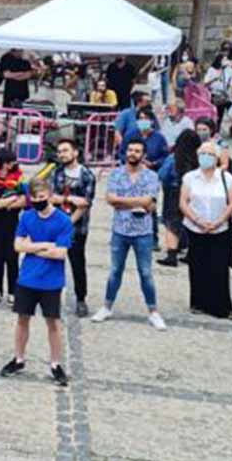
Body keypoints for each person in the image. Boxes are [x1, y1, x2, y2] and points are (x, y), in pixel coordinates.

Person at [0, 178, 73, 386]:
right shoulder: (27, 217)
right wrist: (44, 245)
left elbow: (60, 253)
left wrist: (31, 246)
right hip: (27, 278)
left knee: (53, 323)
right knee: (22, 320)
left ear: (49, 195)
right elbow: (17, 246)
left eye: (42, 198)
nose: (38, 201)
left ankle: (56, 363)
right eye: (34, 198)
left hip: (51, 281)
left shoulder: (63, 221)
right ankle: (19, 358)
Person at [91, 139, 165, 330]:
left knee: (146, 273)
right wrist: (138, 202)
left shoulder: (151, 176)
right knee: (115, 271)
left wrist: (123, 202)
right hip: (120, 230)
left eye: (137, 151)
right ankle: (107, 307)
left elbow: (150, 201)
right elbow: (111, 199)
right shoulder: (116, 174)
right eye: (130, 150)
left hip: (143, 232)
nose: (132, 153)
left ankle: (153, 311)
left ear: (144, 155)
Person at [180, 140, 232, 319]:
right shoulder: (190, 177)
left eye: (210, 154)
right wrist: (197, 220)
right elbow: (183, 202)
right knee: (197, 265)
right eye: (203, 154)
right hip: (195, 227)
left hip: (220, 228)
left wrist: (219, 221)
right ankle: (198, 302)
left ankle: (222, 306)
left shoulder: (226, 178)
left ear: (217, 158)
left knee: (219, 267)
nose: (206, 157)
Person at [51, 138, 95, 316]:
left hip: (77, 227)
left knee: (77, 264)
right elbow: (52, 197)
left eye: (65, 150)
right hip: (57, 224)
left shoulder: (86, 175)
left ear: (75, 152)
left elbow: (86, 203)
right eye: (60, 151)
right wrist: (69, 199)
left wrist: (68, 223)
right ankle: (51, 297)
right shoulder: (57, 172)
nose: (62, 154)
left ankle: (81, 299)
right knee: (53, 261)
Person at [0, 148, 26, 304]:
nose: (15, 163)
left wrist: (7, 203)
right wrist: (11, 200)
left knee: (12, 257)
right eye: (12, 161)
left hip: (12, 222)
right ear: (5, 164)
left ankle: (12, 292)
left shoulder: (19, 180)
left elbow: (23, 201)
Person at [156, 131, 200, 268]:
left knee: (172, 223)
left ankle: (172, 254)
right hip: (193, 194)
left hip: (173, 192)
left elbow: (162, 175)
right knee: (190, 222)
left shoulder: (173, 159)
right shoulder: (198, 160)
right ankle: (191, 254)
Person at [118, 105, 169, 171]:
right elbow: (122, 153)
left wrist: (153, 164)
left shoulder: (159, 138)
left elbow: (165, 157)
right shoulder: (129, 135)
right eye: (141, 118)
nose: (143, 120)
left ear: (152, 121)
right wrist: (135, 161)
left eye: (146, 118)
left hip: (153, 170)